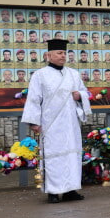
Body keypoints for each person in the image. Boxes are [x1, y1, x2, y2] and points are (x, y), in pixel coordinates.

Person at [21, 39, 91, 203]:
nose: (63, 56)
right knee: (54, 157)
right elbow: (33, 99)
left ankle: (70, 190)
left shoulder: (73, 74)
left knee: (72, 156)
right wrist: (34, 122)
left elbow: (84, 92)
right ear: (48, 55)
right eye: (59, 53)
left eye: (64, 53)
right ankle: (53, 191)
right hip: (51, 124)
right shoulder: (40, 75)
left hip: (70, 123)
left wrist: (79, 95)